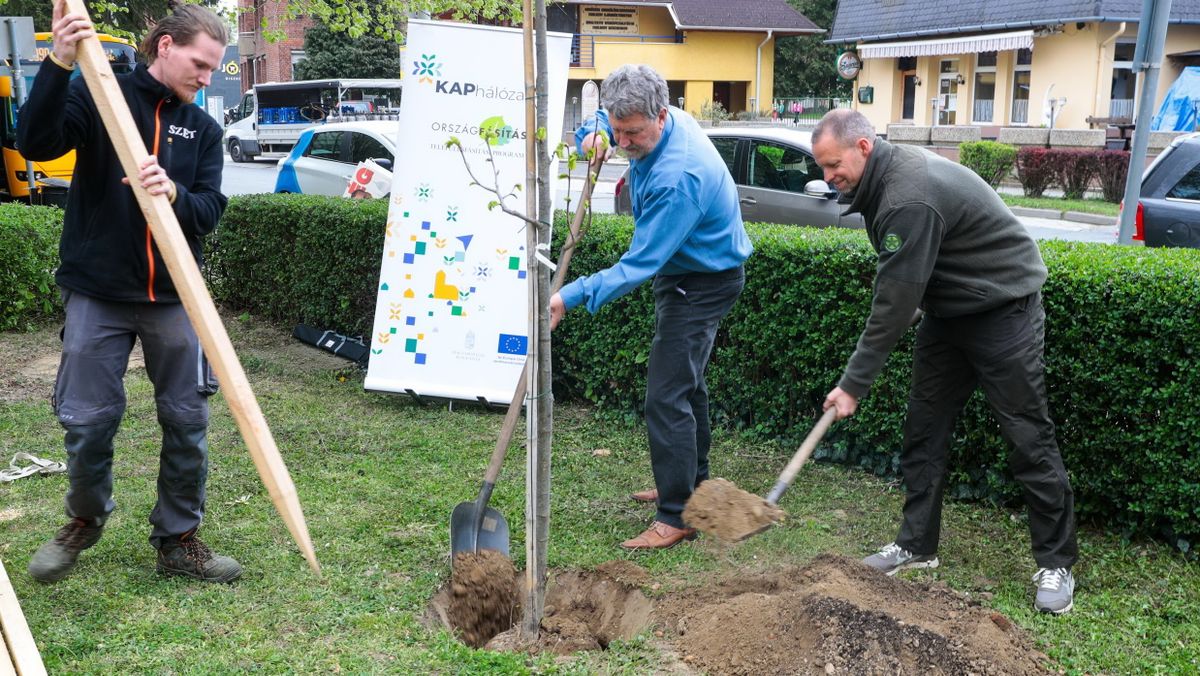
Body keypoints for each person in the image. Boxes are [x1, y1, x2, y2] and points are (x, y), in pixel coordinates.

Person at [811, 109, 1078, 614]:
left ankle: (1056, 562)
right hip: (949, 311)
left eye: (833, 164)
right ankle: (916, 544)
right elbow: (908, 285)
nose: (828, 177)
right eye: (822, 167)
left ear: (864, 147)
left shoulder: (906, 195)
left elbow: (893, 303)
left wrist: (851, 385)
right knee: (924, 426)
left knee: (1027, 435)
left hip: (1004, 310)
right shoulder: (881, 183)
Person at [19, 2, 241, 583]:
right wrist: (59, 61)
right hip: (99, 291)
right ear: (165, 46)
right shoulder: (101, 94)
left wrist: (174, 194)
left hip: (174, 296)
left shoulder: (204, 128)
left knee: (187, 419)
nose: (207, 76)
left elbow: (210, 209)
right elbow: (36, 141)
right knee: (87, 419)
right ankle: (85, 519)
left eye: (213, 67)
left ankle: (179, 539)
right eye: (200, 62)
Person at [550, 64, 752, 550]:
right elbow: (602, 117)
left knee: (667, 395)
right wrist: (594, 133)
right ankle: (690, 486)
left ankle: (677, 515)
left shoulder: (677, 178)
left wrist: (568, 295)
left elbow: (638, 265)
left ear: (660, 116)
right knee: (688, 386)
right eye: (617, 130)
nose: (623, 142)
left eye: (632, 132)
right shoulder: (642, 114)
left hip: (701, 282)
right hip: (686, 273)